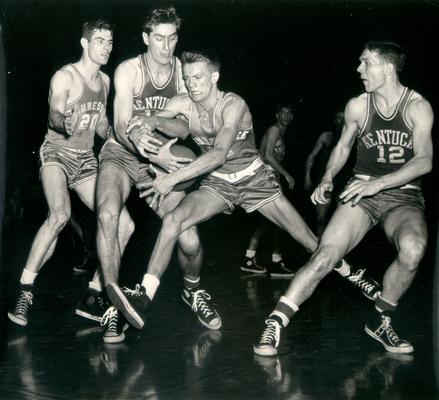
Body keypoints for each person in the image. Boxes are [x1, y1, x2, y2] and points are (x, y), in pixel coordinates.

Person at [105, 50, 381, 332]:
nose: (192, 84)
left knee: (311, 244)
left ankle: (352, 274)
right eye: (187, 78)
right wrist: (146, 126)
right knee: (174, 219)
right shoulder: (182, 102)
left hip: (254, 181)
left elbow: (219, 153)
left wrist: (172, 177)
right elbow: (159, 121)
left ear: (215, 77)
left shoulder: (232, 104)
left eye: (198, 77)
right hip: (219, 184)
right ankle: (143, 296)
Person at [254, 41, 433, 356]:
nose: (359, 69)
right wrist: (326, 177)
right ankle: (274, 324)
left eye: (366, 63)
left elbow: (424, 161)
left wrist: (380, 183)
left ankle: (381, 321)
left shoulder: (417, 106)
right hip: (360, 193)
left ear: (388, 68)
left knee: (413, 250)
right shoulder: (357, 106)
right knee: (324, 256)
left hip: (403, 197)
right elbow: (342, 148)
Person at [7, 20, 133, 328]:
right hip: (56, 155)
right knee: (60, 215)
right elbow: (55, 114)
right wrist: (66, 122)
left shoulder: (104, 80)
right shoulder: (65, 76)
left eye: (111, 41)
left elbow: (101, 123)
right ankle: (24, 291)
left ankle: (93, 294)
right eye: (101, 40)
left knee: (125, 225)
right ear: (84, 43)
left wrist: (120, 133)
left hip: (86, 161)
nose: (107, 47)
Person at [93, 7, 206, 343]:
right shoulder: (129, 70)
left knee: (190, 239)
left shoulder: (182, 74)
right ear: (146, 38)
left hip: (159, 159)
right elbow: (120, 122)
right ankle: (113, 305)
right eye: (159, 38)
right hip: (120, 151)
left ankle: (193, 290)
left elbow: (183, 127)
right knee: (107, 214)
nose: (166, 46)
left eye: (172, 38)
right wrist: (141, 140)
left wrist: (156, 126)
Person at [241, 104, 296, 277]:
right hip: (267, 175)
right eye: (283, 112)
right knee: (280, 219)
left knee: (269, 221)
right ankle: (275, 261)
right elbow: (268, 156)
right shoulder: (274, 130)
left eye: (289, 113)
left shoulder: (281, 132)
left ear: (292, 117)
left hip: (267, 175)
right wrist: (287, 175)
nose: (286, 116)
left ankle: (250, 259)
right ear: (277, 114)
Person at [304, 111, 345, 236]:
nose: (341, 121)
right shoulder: (326, 136)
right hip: (325, 179)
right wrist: (307, 176)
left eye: (343, 118)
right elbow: (312, 155)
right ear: (334, 120)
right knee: (321, 215)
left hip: (342, 179)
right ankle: (319, 243)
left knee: (341, 216)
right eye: (338, 118)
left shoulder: (349, 138)